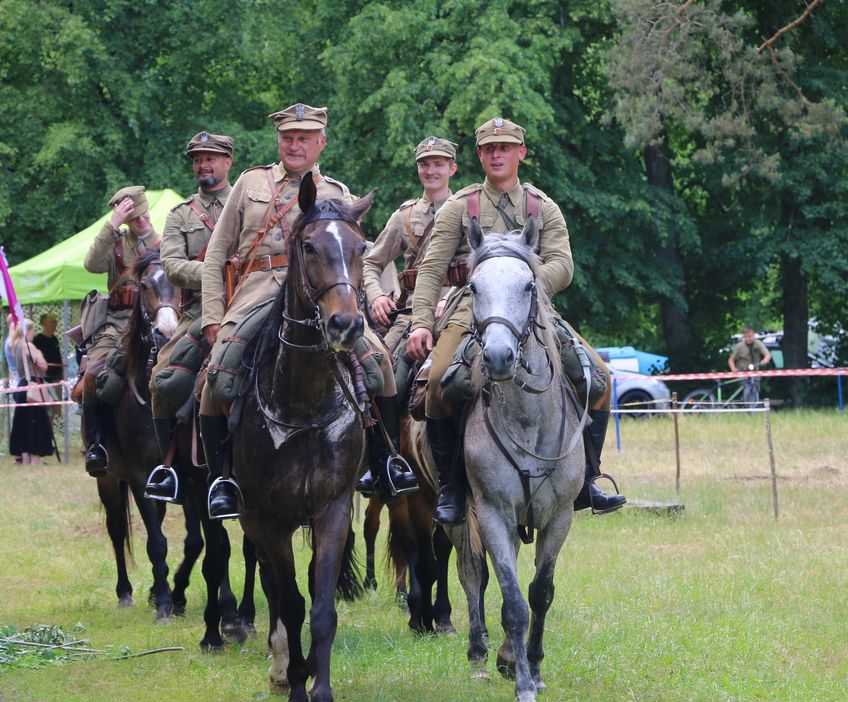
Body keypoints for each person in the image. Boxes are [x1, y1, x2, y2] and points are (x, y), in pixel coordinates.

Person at [198, 103, 417, 519]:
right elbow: (216, 257)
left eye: (304, 138)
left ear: (321, 142)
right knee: (218, 375)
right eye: (288, 137)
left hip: (324, 298)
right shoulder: (250, 183)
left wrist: (376, 300)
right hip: (259, 291)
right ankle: (222, 478)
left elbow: (362, 256)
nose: (294, 145)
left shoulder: (338, 193)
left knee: (380, 366)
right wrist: (212, 317)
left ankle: (383, 462)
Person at [407, 116, 626, 526]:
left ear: (520, 153)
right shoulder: (461, 206)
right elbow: (431, 270)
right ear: (479, 155)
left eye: (505, 147)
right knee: (438, 382)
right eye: (489, 149)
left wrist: (520, 282)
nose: (496, 154)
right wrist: (421, 322)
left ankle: (588, 481)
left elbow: (563, 264)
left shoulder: (542, 208)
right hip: (470, 311)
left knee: (598, 377)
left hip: (534, 310)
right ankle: (453, 486)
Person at [357, 135, 458, 495]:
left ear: (452, 169)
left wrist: (459, 296)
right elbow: (371, 261)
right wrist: (376, 295)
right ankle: (385, 461)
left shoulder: (469, 209)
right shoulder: (404, 217)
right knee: (382, 376)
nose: (431, 170)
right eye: (424, 164)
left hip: (458, 309)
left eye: (438, 164)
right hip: (410, 312)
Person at [144, 131, 235, 503]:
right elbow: (171, 265)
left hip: (250, 303)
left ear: (228, 162)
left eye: (210, 158)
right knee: (161, 380)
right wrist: (218, 273)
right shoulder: (180, 215)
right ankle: (170, 469)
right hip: (198, 311)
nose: (203, 164)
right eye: (198, 159)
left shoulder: (248, 205)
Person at [82, 185, 161, 475]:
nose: (141, 221)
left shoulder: (165, 243)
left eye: (143, 214)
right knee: (92, 373)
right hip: (117, 325)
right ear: (125, 219)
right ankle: (96, 446)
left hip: (156, 323)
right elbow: (90, 264)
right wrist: (111, 224)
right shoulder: (116, 244)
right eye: (134, 217)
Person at [7, 318, 55, 464]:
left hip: (22, 386)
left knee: (22, 423)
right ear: (28, 331)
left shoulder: (14, 346)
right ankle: (35, 458)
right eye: (33, 330)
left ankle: (25, 456)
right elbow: (43, 366)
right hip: (33, 386)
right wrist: (39, 354)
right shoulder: (29, 346)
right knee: (36, 421)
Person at [728, 326, 772, 402]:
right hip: (743, 371)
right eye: (746, 337)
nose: (748, 339)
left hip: (755, 371)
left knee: (756, 388)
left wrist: (765, 360)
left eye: (750, 336)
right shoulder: (739, 346)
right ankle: (744, 400)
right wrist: (733, 369)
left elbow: (767, 354)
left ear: (754, 335)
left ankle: (755, 402)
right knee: (745, 387)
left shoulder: (758, 344)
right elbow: (731, 359)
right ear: (744, 337)